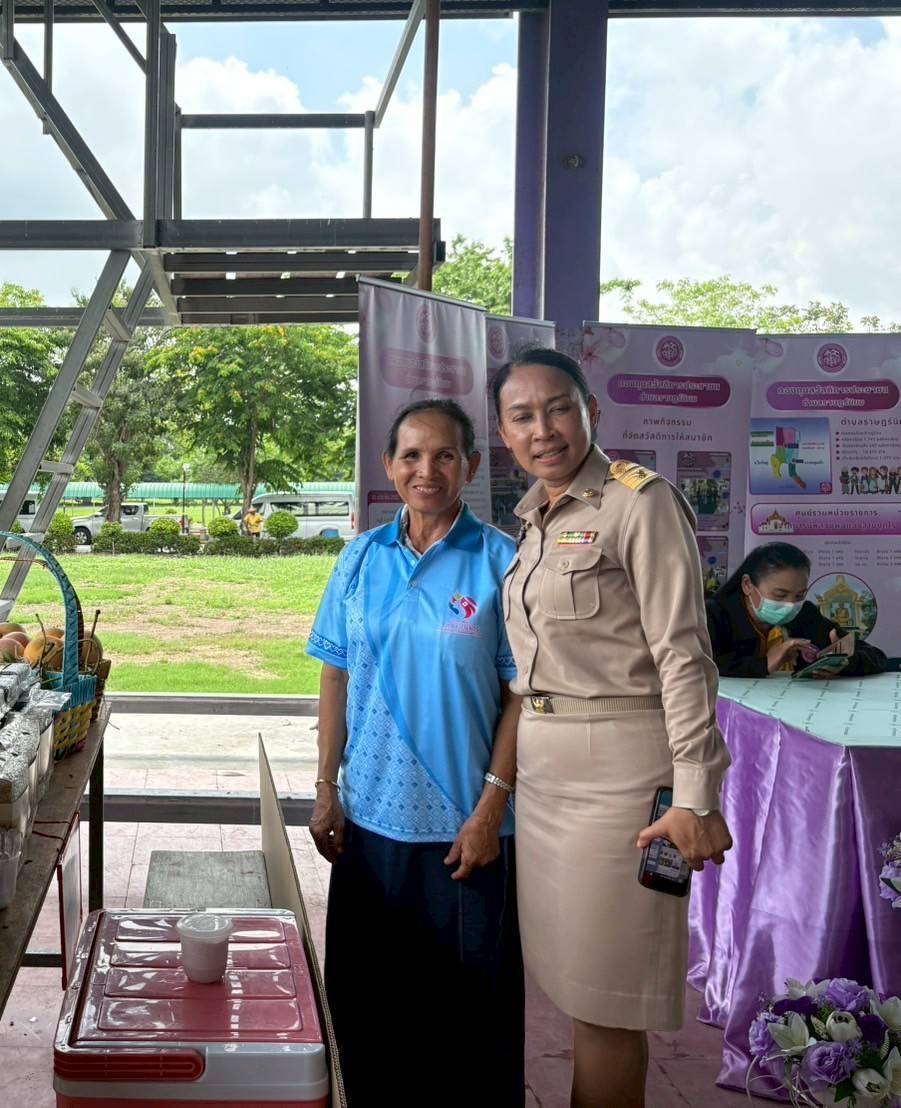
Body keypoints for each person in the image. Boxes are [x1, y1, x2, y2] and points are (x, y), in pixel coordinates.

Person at [494, 347, 732, 1108]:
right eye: (521, 416)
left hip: (622, 782)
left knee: (605, 1004)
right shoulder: (533, 519)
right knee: (570, 990)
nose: (543, 429)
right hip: (545, 781)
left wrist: (694, 794)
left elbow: (683, 656)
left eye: (557, 407)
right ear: (503, 434)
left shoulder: (638, 502)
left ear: (589, 409)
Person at [307, 399, 523, 1104]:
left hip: (465, 831)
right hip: (369, 822)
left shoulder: (501, 561)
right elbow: (335, 673)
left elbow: (523, 695)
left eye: (444, 455)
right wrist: (325, 789)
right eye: (411, 456)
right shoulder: (360, 557)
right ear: (388, 465)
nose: (426, 470)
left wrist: (490, 809)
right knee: (367, 1008)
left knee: (470, 1017)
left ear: (471, 464)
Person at [705, 542, 887, 678]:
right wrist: (765, 663)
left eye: (799, 595)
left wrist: (844, 662)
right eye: (780, 595)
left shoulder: (804, 615)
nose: (790, 605)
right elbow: (702, 666)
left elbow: (876, 656)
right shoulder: (714, 615)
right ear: (747, 585)